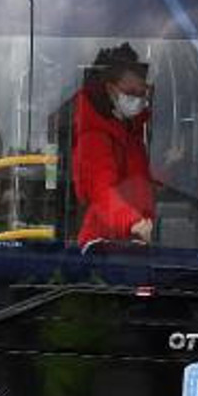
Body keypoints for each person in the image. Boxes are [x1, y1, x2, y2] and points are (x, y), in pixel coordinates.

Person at [71, 43, 158, 247]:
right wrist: (133, 223)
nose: (137, 99)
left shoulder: (131, 132)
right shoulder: (93, 136)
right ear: (110, 89)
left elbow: (139, 183)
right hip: (103, 249)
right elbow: (101, 192)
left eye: (141, 92)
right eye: (130, 92)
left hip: (132, 244)